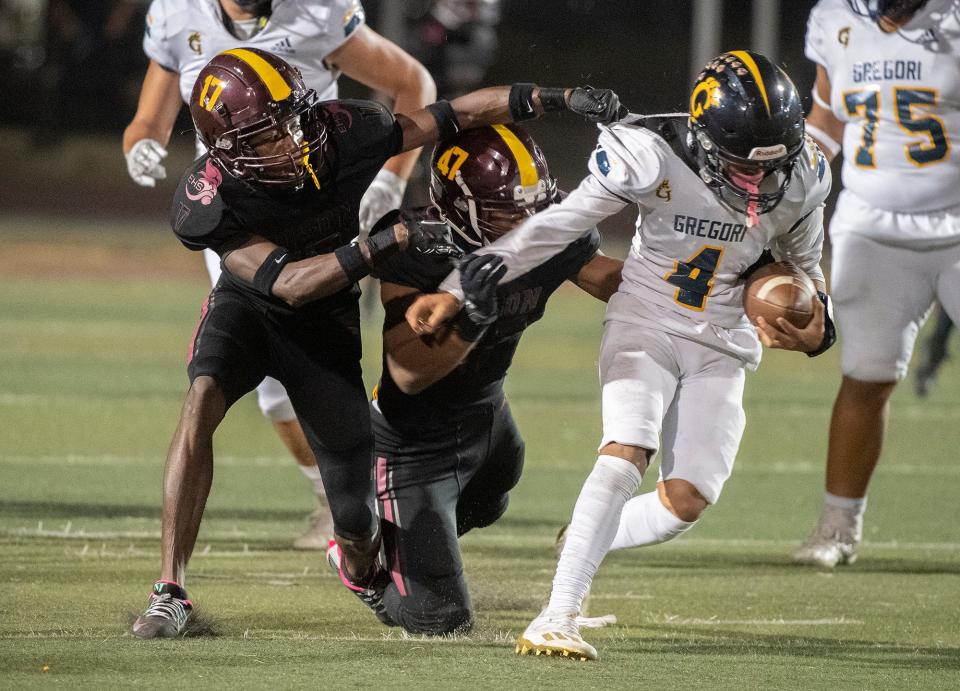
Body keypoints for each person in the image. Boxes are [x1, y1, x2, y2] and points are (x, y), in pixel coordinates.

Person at [129, 46, 625, 639]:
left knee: (357, 524)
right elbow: (288, 285)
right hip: (254, 308)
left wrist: (553, 98)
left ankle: (363, 565)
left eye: (295, 120)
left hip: (326, 325)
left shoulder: (344, 133)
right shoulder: (205, 199)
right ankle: (170, 591)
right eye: (271, 135)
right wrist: (379, 243)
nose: (294, 141)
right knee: (201, 398)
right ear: (228, 147)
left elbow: (452, 114)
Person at [408, 50, 835, 660]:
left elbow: (806, 271)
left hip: (724, 339)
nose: (757, 183)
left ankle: (581, 538)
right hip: (647, 316)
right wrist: (459, 286)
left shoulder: (803, 173)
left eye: (770, 166)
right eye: (741, 164)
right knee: (625, 451)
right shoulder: (648, 151)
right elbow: (558, 225)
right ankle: (557, 614)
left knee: (684, 503)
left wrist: (816, 323)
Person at [122, 0, 437, 549]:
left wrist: (388, 180)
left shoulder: (318, 12)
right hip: (242, 223)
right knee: (273, 390)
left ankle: (381, 491)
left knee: (358, 364)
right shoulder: (177, 13)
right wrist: (141, 145)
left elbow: (413, 83)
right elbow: (149, 118)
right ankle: (335, 495)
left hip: (326, 214)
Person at [335, 123, 623, 635]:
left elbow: (607, 278)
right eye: (507, 210)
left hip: (488, 417)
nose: (528, 221)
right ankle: (362, 567)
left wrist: (698, 282)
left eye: (535, 204)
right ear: (457, 209)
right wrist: (471, 319)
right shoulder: (416, 245)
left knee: (493, 497)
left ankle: (410, 544)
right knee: (440, 619)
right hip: (412, 444)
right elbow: (407, 372)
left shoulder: (550, 232)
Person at [793, 0, 960, 568]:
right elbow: (826, 118)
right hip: (871, 228)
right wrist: (789, 188)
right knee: (866, 377)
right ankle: (838, 526)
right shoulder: (835, 19)